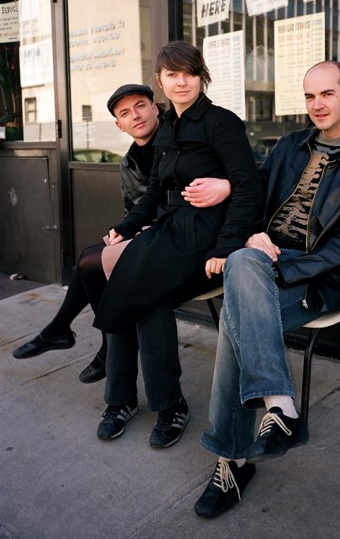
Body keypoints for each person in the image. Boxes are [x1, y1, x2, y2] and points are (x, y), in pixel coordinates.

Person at [194, 60, 340, 519]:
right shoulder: (289, 145)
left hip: (320, 277)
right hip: (264, 261)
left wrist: (283, 270)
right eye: (309, 96)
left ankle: (232, 460)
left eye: (327, 94)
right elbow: (256, 196)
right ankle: (279, 406)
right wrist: (252, 233)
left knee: (235, 320)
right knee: (244, 261)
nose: (317, 105)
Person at [91, 40, 261, 448]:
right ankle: (141, 402)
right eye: (172, 75)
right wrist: (127, 226)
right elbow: (154, 191)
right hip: (171, 230)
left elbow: (248, 187)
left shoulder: (222, 122)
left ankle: (137, 400)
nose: (181, 82)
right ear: (160, 81)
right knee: (139, 291)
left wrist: (226, 246)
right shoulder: (168, 126)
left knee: (131, 284)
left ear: (201, 76)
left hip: (206, 236)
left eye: (188, 73)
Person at [12, 84, 230, 387]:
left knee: (92, 262)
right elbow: (138, 208)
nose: (135, 116)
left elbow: (213, 189)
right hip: (155, 236)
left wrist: (225, 187)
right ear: (119, 125)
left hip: (187, 240)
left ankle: (82, 339)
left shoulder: (181, 139)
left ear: (155, 108)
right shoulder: (129, 163)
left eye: (140, 106)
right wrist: (126, 231)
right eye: (125, 113)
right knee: (93, 259)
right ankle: (90, 343)